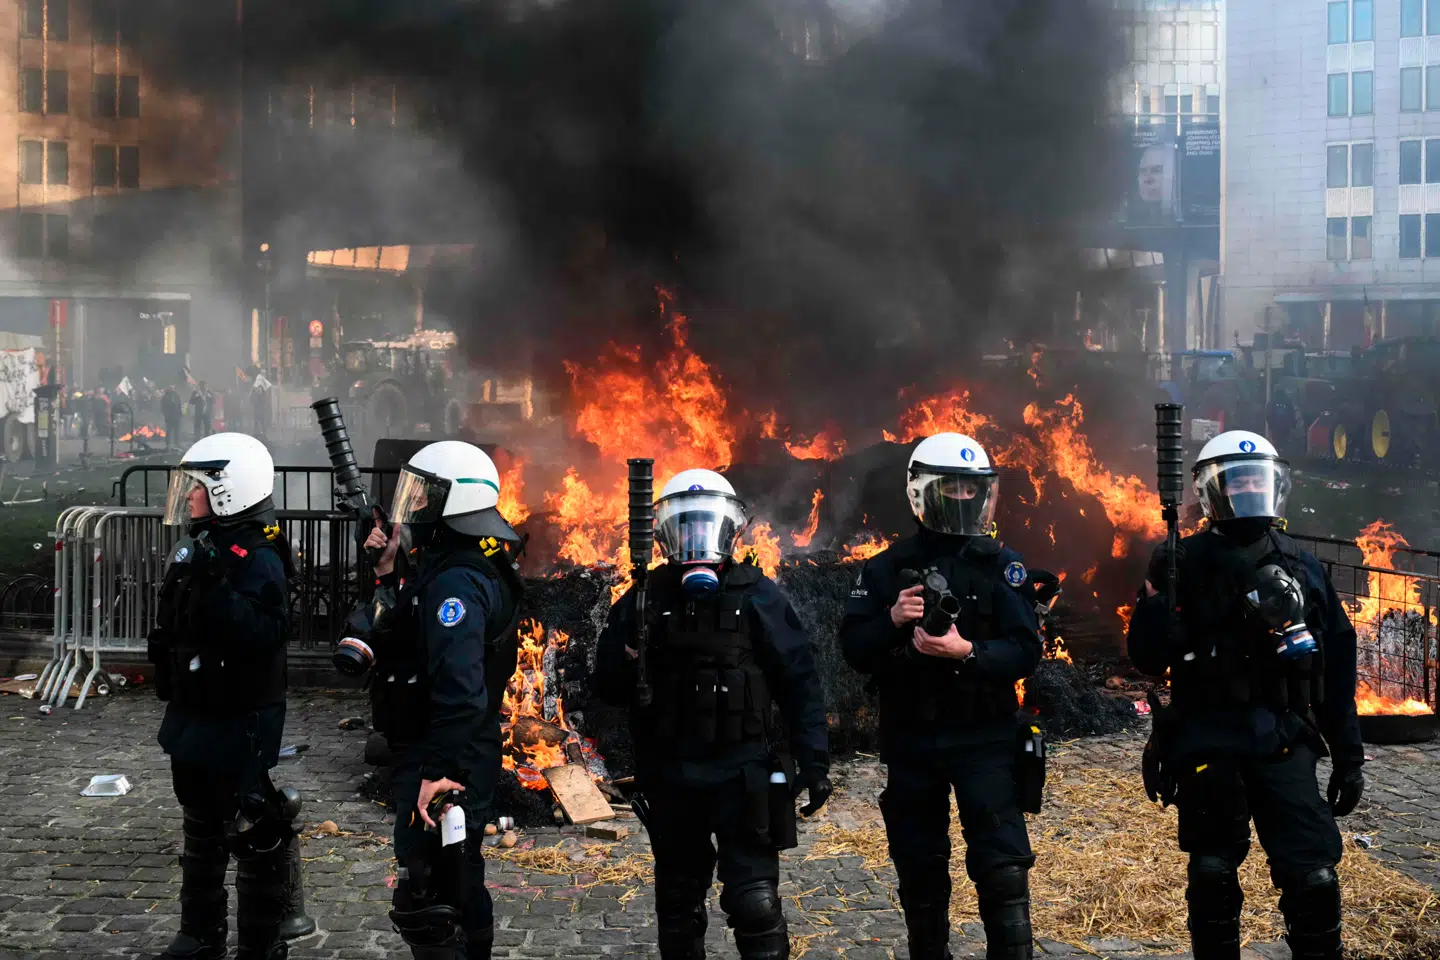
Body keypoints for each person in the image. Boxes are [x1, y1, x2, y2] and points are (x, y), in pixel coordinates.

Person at [1128, 430, 1363, 960]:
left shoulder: (1302, 566)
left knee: (1315, 878)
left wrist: (1348, 757)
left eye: (1259, 479)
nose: (1250, 489)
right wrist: (1155, 598)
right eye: (1238, 480)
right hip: (1209, 740)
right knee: (1212, 873)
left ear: (1276, 486)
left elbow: (1336, 667)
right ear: (1213, 492)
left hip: (1283, 736)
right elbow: (1146, 656)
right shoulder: (1180, 563)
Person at [592, 469, 830, 960]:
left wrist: (816, 761)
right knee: (678, 907)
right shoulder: (642, 598)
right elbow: (608, 689)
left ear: (728, 528)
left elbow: (799, 680)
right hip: (672, 777)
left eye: (706, 524)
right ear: (665, 533)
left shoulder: (757, 594)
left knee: (756, 905)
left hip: (742, 776)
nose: (697, 537)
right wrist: (628, 652)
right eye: (686, 525)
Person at [838, 433, 1044, 960]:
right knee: (920, 869)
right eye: (948, 487)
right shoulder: (885, 569)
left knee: (1002, 870)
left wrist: (967, 652)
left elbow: (1025, 649)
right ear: (922, 493)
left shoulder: (1002, 564)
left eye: (969, 488)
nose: (960, 498)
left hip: (985, 737)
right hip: (912, 738)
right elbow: (854, 649)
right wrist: (891, 618)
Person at [361, 441, 527, 960]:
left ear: (454, 504)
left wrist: (438, 774)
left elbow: (458, 690)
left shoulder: (457, 580)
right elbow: (409, 635)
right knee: (459, 874)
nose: (413, 508)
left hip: (446, 751)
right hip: (453, 747)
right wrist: (388, 574)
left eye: (425, 497)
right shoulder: (462, 562)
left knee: (428, 890)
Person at [147, 433, 303, 960]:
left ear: (229, 491)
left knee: (250, 825)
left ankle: (262, 942)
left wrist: (218, 587)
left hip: (240, 713)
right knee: (200, 821)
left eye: (198, 486)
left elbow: (263, 635)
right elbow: (176, 615)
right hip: (194, 709)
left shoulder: (257, 555)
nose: (189, 496)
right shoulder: (199, 543)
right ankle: (200, 931)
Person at [162, 386, 183, 451]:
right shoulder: (165, 397)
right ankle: (168, 444)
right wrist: (166, 415)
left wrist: (180, 413)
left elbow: (179, 405)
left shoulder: (177, 396)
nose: (172, 389)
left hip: (176, 416)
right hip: (169, 417)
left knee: (177, 431)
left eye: (173, 388)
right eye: (170, 388)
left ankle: (177, 444)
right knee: (169, 431)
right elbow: (163, 407)